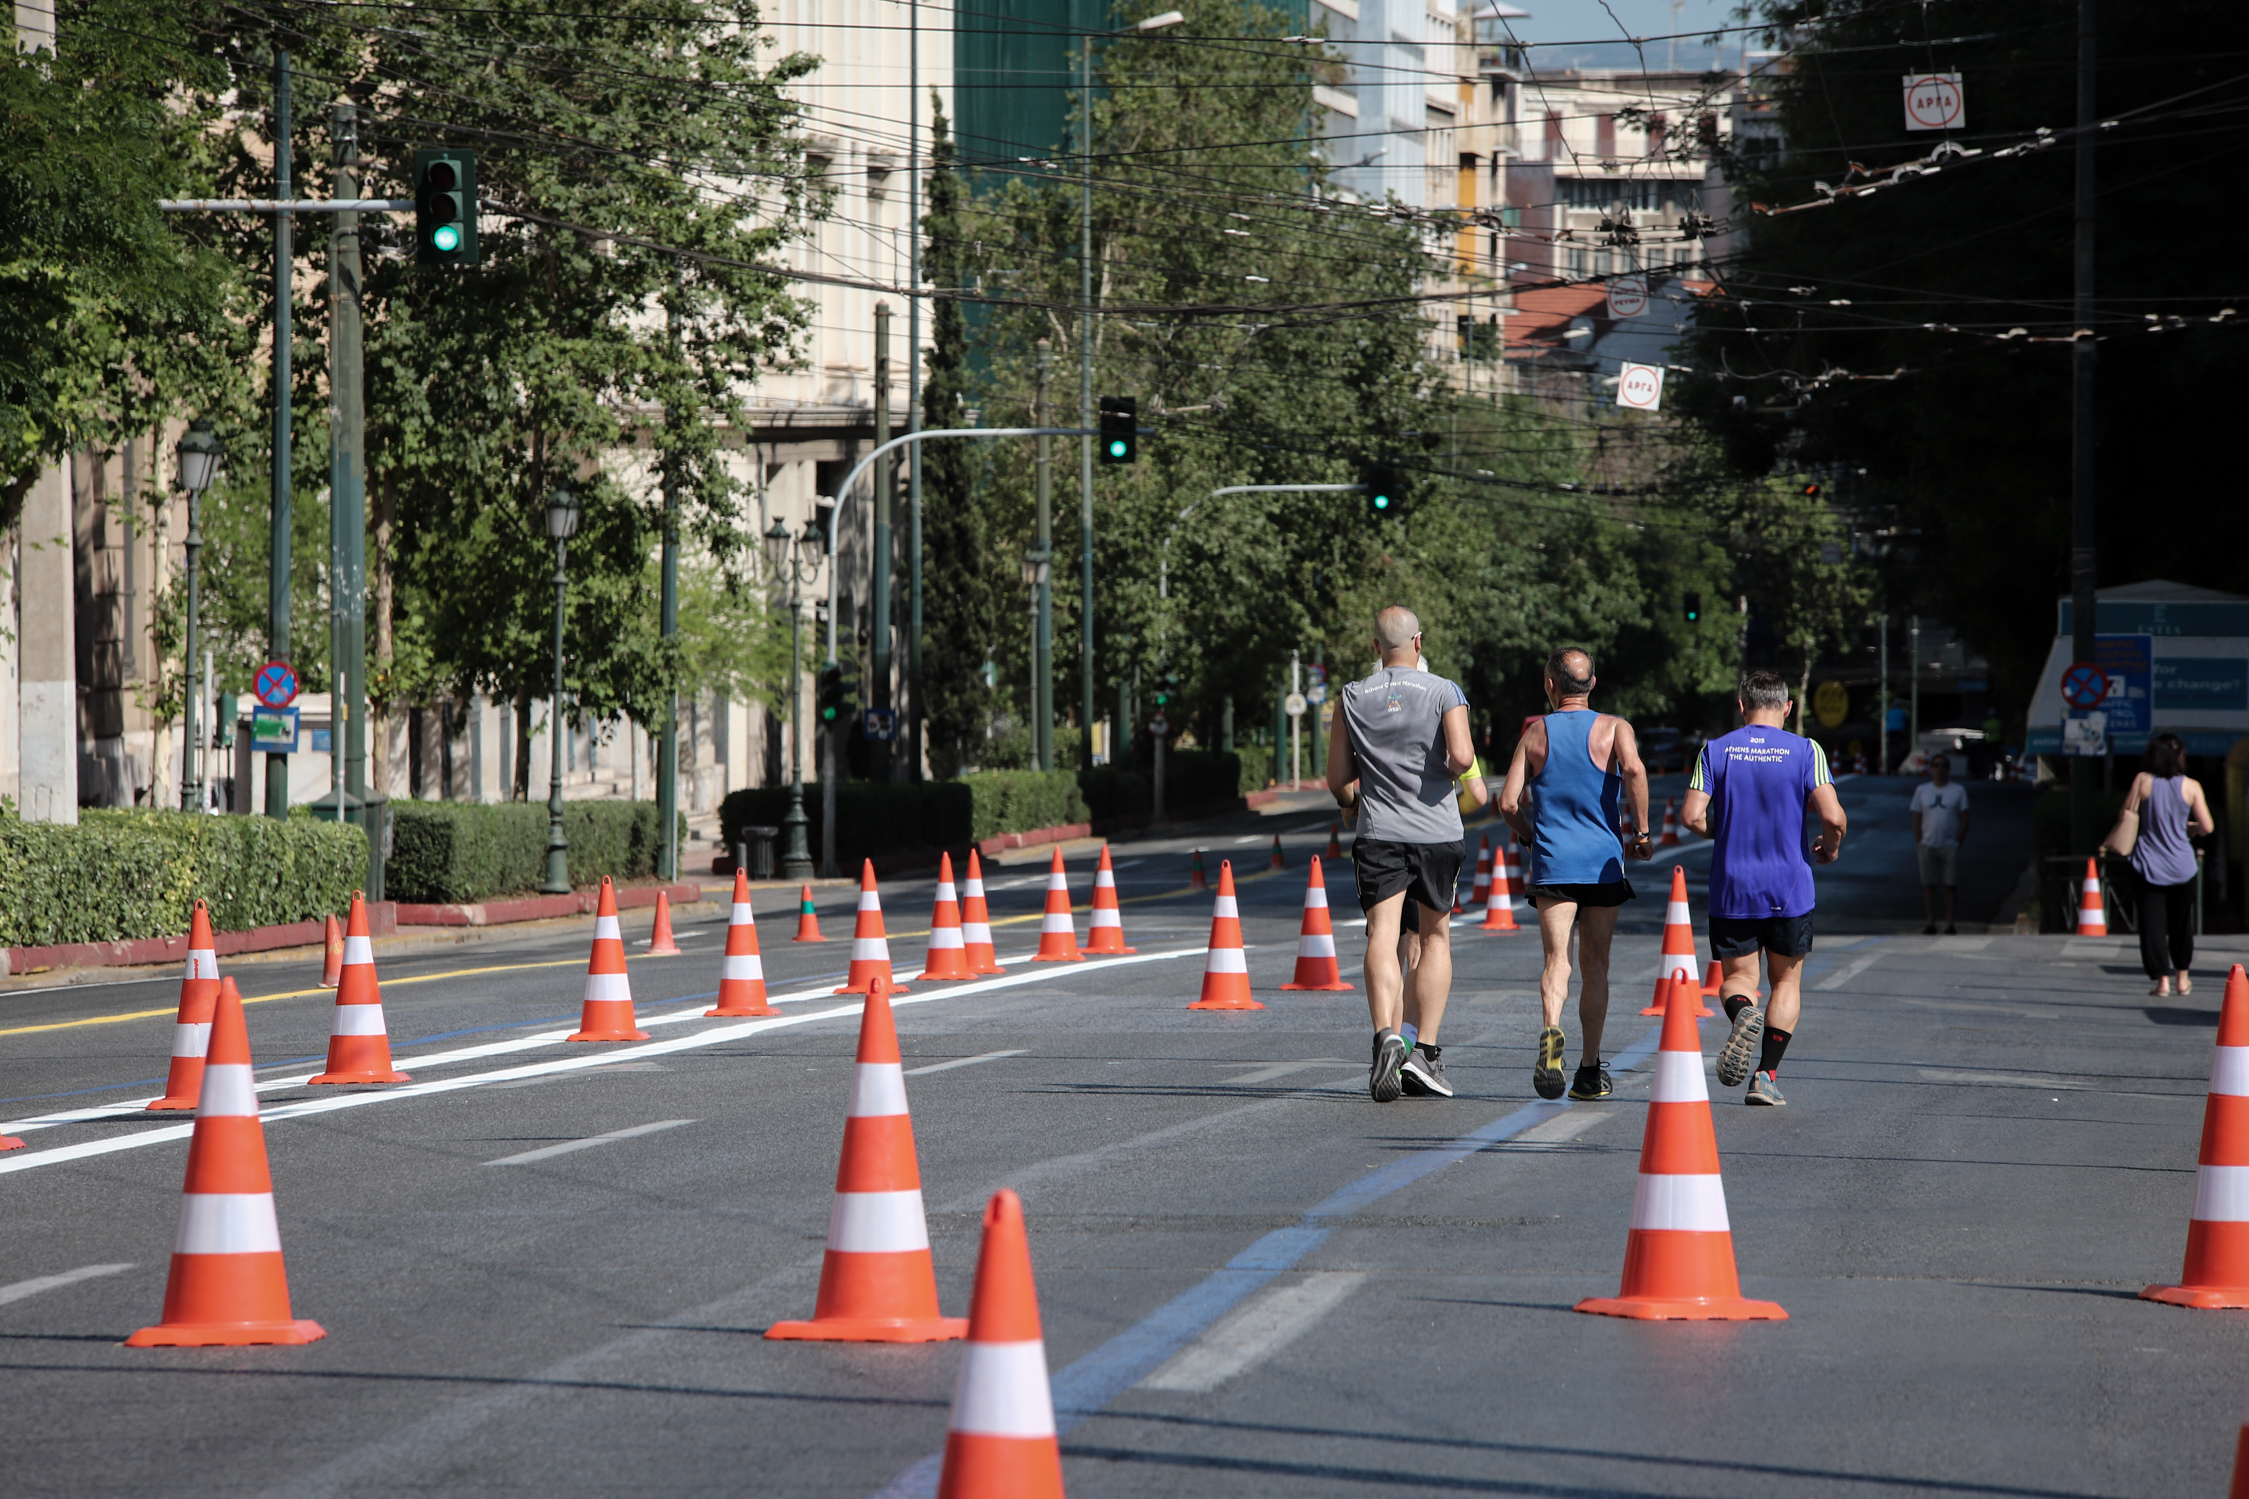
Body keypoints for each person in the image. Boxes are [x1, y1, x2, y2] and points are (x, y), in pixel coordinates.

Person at [1681, 670, 1849, 1107]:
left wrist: (1722, 831)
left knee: (1738, 980)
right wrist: (1830, 847)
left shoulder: (1715, 750)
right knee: (1786, 982)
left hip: (1733, 886)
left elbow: (1692, 816)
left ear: (1742, 705)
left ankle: (1743, 1012)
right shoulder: (1806, 751)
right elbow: (1833, 817)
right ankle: (1765, 1077)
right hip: (1789, 888)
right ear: (1788, 707)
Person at [1328, 607, 1474, 1102]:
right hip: (1436, 831)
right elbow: (1463, 758)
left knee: (1383, 933)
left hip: (1379, 832)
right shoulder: (1445, 691)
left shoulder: (1351, 696)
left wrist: (1353, 801)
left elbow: (1337, 779)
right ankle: (1424, 1052)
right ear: (1418, 641)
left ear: (1376, 647)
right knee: (1434, 938)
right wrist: (1439, 772)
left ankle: (1384, 1035)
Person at [1497, 647, 1652, 1103]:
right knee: (1595, 965)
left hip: (1554, 865)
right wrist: (1642, 833)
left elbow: (1507, 802)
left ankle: (1551, 1031)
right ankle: (1589, 1069)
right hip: (1602, 865)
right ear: (1593, 685)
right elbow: (1634, 769)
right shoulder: (1615, 728)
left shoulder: (1535, 734)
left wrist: (1529, 837)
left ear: (1551, 685)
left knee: (1556, 962)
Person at [2102, 731, 2216, 997]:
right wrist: (2190, 828)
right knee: (2181, 924)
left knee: (2152, 925)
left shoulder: (2143, 781)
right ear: (2180, 757)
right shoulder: (2191, 786)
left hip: (2147, 865)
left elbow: (2125, 814)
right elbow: (2207, 827)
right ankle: (2182, 979)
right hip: (2182, 867)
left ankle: (2162, 981)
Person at [1909, 753, 1971, 934]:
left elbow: (1965, 816)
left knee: (1950, 885)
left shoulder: (1958, 791)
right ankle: (1931, 922)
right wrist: (1919, 840)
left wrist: (1958, 840)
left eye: (1943, 765)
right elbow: (1917, 816)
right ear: (1931, 769)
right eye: (1936, 765)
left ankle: (1950, 923)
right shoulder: (1922, 790)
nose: (1940, 768)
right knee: (1929, 885)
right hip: (1927, 843)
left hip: (1950, 844)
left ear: (1948, 769)